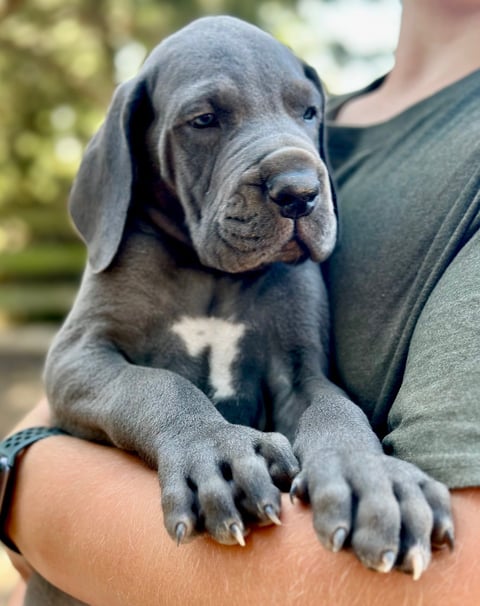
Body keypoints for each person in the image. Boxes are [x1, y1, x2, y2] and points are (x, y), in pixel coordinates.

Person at [3, 0, 480, 603]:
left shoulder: (291, 267)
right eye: (205, 120)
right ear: (136, 140)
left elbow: (304, 386)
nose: (298, 179)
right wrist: (177, 420)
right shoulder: (133, 253)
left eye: (305, 113)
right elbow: (74, 368)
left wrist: (351, 452)